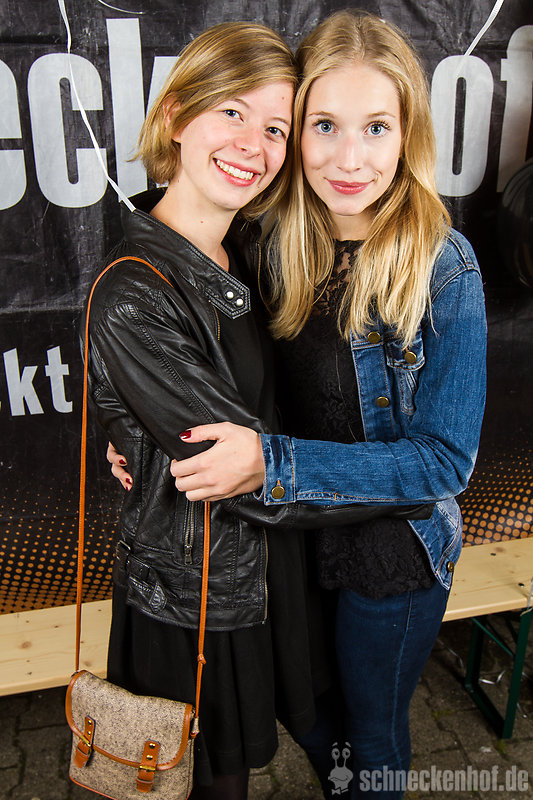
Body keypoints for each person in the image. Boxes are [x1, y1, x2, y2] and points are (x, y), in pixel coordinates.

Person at [89, 18, 431, 800]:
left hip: (263, 574)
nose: (253, 143)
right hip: (198, 599)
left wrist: (134, 438)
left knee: (299, 742)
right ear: (176, 116)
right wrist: (409, 484)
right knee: (216, 786)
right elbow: (247, 474)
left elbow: (258, 421)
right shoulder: (136, 293)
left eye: (275, 126)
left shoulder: (244, 250)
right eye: (232, 111)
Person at [151, 11, 487, 799]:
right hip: (285, 541)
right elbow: (199, 358)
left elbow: (443, 462)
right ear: (295, 132)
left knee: (369, 739)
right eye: (324, 125)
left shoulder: (443, 265)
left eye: (375, 127)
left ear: (406, 133)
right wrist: (136, 430)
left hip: (390, 552)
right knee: (308, 720)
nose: (349, 158)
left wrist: (273, 463)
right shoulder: (262, 241)